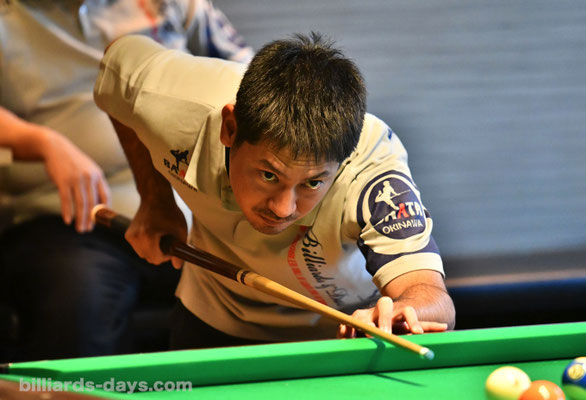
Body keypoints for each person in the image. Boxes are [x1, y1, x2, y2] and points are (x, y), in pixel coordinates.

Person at [94, 32, 456, 348]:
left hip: (344, 330)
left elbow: (432, 296)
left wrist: (404, 312)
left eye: (312, 183)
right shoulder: (174, 102)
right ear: (230, 129)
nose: (283, 208)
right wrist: (155, 200)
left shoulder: (373, 170)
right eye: (269, 175)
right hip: (217, 309)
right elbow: (117, 61)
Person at [0, 0, 253, 361]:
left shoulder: (172, 4)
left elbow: (255, 84)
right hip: (68, 223)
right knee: (78, 302)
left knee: (260, 291)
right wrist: (40, 141)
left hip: (197, 215)